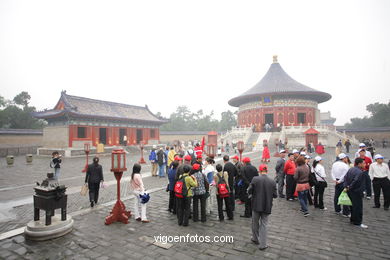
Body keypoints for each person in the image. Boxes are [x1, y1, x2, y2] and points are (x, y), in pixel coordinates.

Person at [248, 164, 277, 251]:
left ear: (259, 171)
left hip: (256, 204)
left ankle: (255, 239)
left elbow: (250, 190)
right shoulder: (272, 181)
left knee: (255, 223)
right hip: (267, 205)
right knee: (264, 225)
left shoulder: (255, 179)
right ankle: (263, 244)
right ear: (267, 171)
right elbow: (275, 195)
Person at [344, 158, 368, 228]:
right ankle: (357, 222)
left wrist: (346, 186)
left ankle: (353, 219)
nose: (365, 164)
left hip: (350, 191)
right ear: (359, 164)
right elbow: (355, 181)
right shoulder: (360, 172)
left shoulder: (351, 169)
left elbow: (345, 178)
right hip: (356, 191)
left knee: (352, 206)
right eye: (363, 163)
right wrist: (350, 187)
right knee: (358, 207)